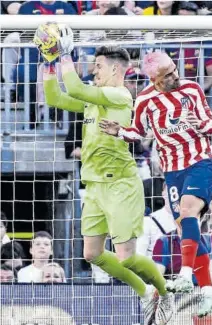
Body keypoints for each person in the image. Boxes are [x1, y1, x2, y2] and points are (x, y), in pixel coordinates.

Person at [37, 25, 173, 325]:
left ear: (114, 69)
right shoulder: (94, 99)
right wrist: (49, 61)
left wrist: (64, 54)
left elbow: (73, 87)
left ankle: (165, 292)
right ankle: (145, 293)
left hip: (121, 185)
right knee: (92, 254)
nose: (93, 71)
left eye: (97, 66)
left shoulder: (120, 95)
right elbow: (56, 98)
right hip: (95, 186)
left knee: (126, 256)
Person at [100, 51, 212, 317]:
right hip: (172, 170)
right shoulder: (144, 99)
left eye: (175, 70)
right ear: (154, 79)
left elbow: (211, 124)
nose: (175, 76)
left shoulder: (192, 89)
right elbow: (138, 132)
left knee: (188, 211)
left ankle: (186, 275)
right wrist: (119, 132)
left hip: (201, 163)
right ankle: (209, 293)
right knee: (185, 228)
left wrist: (198, 124)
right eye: (168, 75)